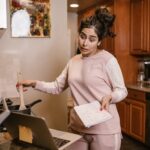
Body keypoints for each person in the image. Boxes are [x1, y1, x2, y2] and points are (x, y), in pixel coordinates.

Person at [17, 8, 128, 150]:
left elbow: (122, 90)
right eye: (82, 36)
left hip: (104, 130)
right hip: (77, 127)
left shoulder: (108, 60)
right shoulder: (73, 61)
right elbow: (57, 86)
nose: (85, 43)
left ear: (99, 41)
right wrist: (33, 83)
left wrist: (110, 97)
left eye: (92, 39)